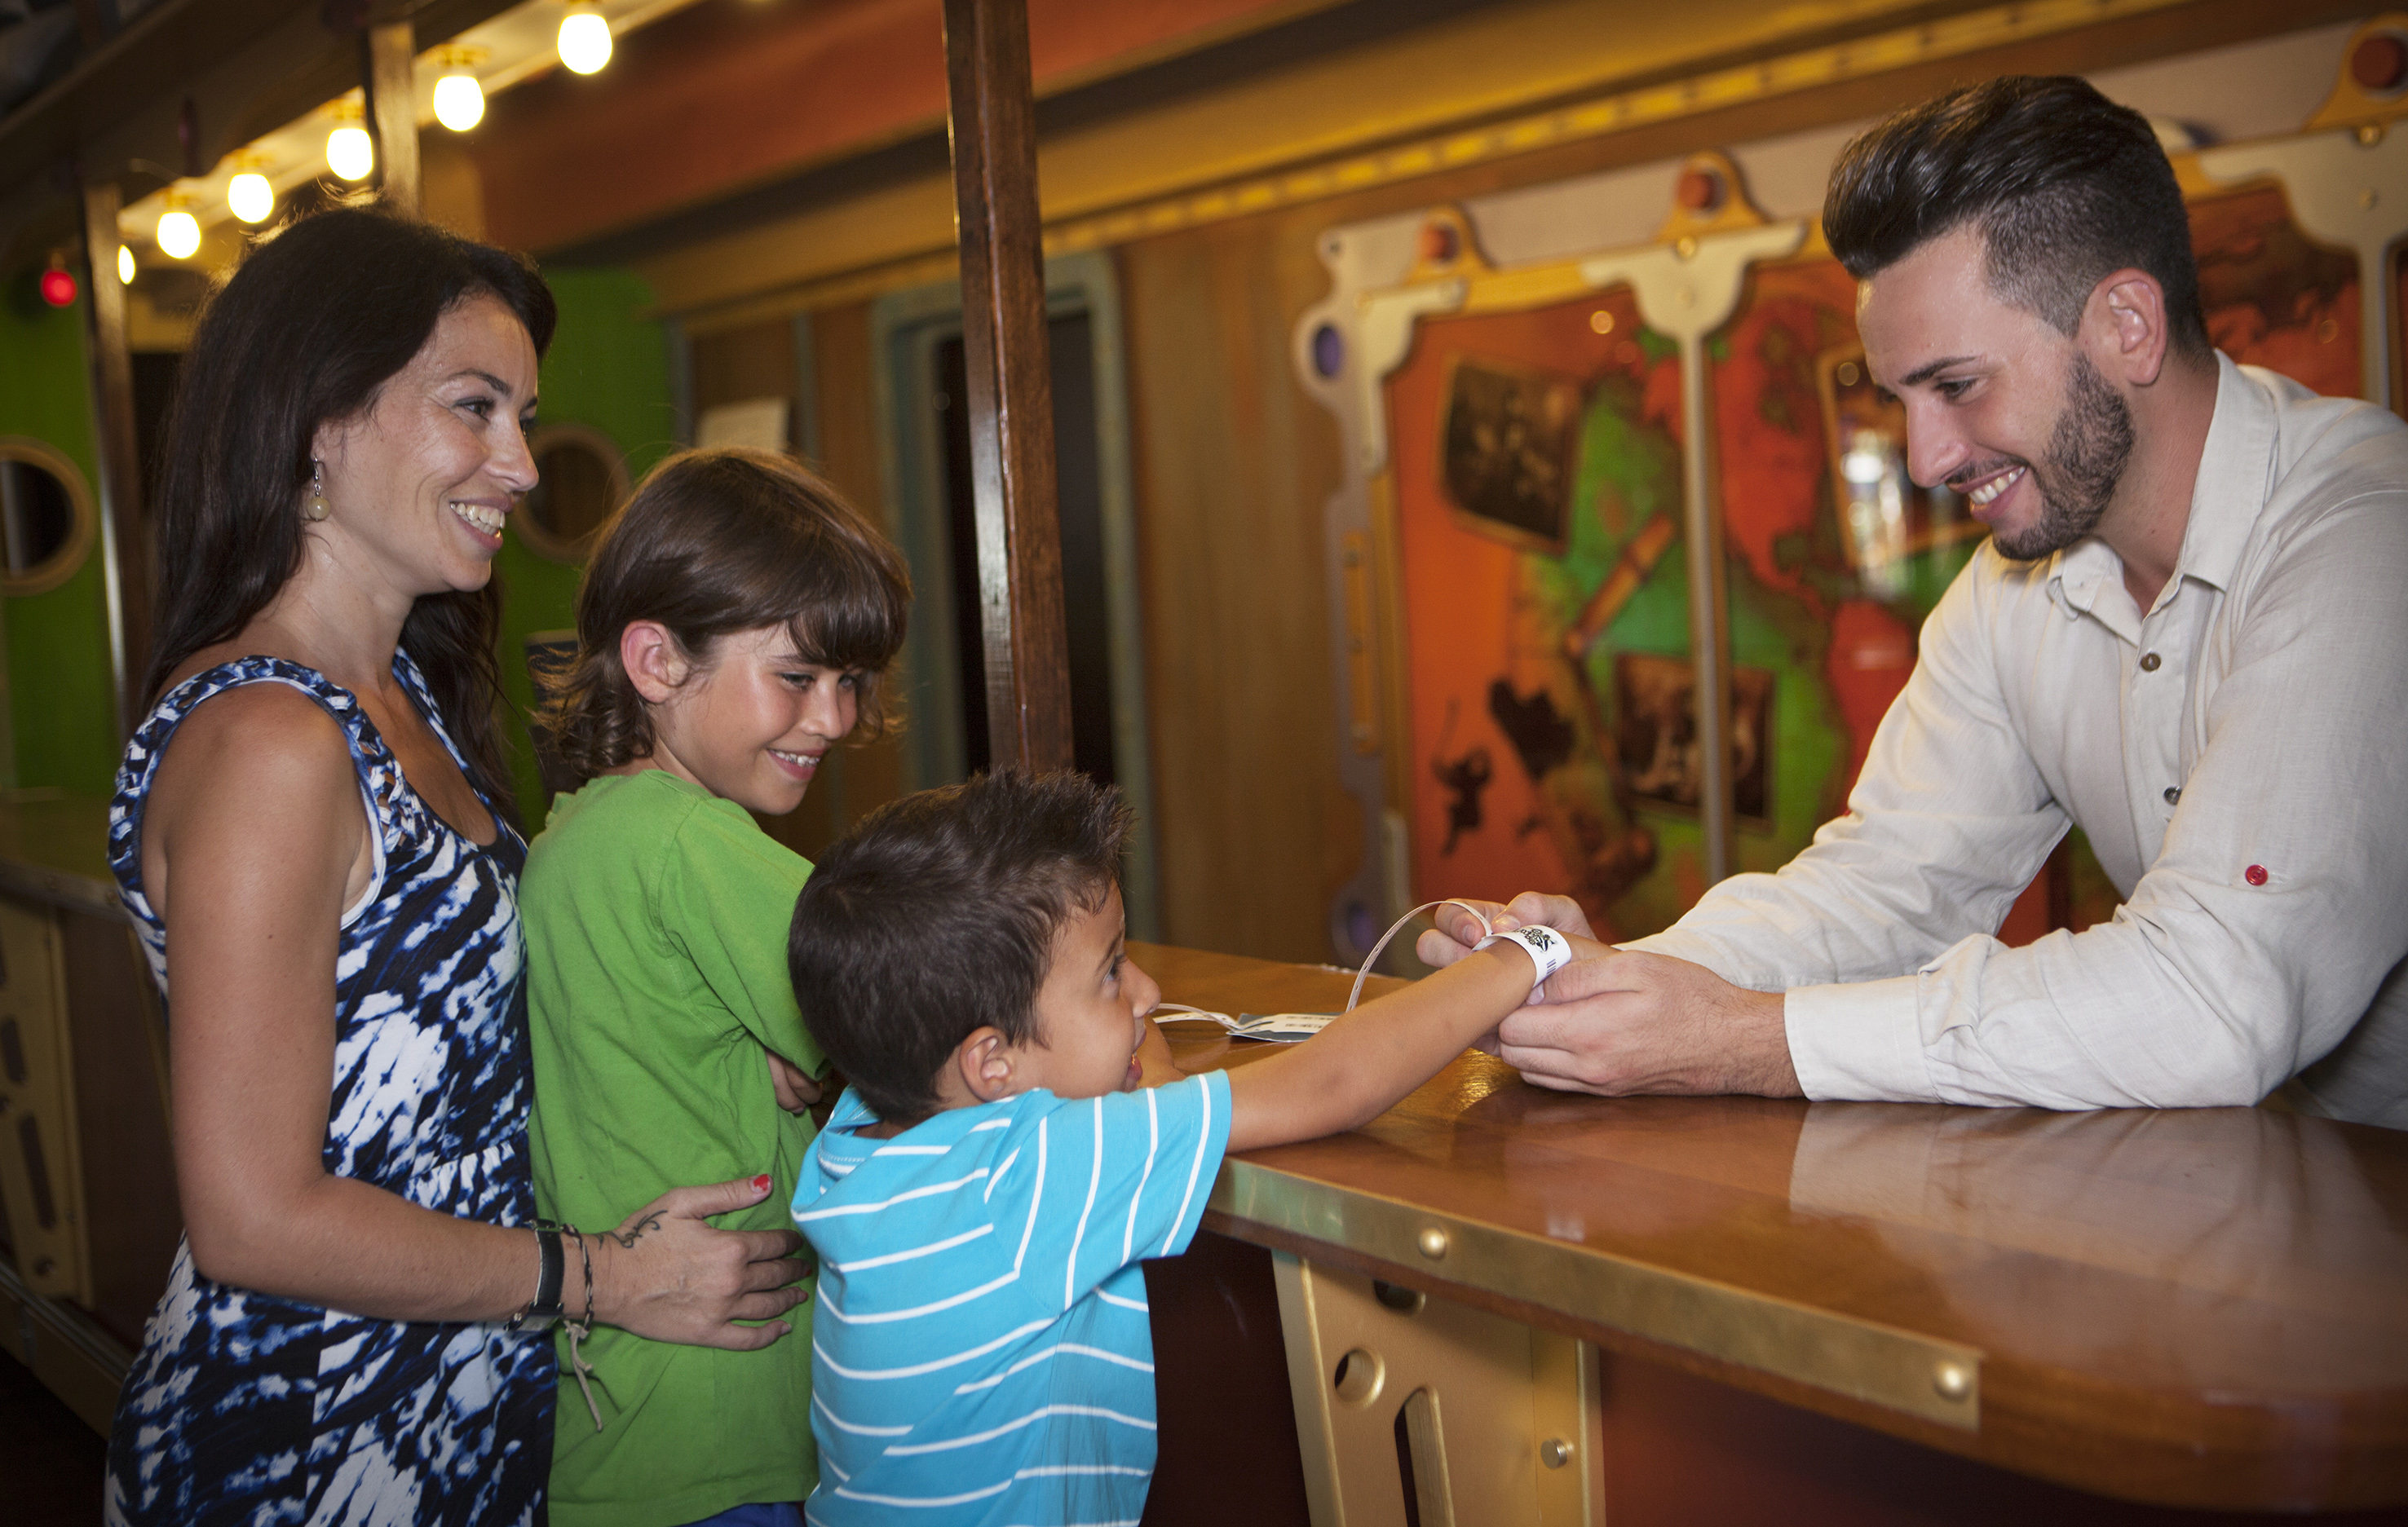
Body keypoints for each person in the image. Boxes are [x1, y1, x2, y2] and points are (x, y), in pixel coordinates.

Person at [1422, 75, 2408, 1129]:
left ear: (2127, 324)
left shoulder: (2366, 536)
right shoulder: (2012, 584)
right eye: (1899, 399)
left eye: (1958, 385)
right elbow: (1889, 884)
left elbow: (2212, 996)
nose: (1927, 459)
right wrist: (1616, 983)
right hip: (2267, 1174)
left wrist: (1748, 1039)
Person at [107, 209, 812, 1527]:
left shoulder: (402, 703)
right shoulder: (270, 737)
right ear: (320, 421)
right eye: (473, 407)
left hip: (465, 1396)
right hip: (314, 1428)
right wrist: (603, 1276)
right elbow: (254, 1214)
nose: (521, 464)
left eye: (523, 417)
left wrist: (737, 1031)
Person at [784, 769, 1602, 1525]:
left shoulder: (867, 1124)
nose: (1148, 991)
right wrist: (1527, 952)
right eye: (1112, 972)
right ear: (991, 1062)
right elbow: (1332, 1083)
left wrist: (1116, 1023)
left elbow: (1147, 1078)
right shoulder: (1029, 1172)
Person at [520, 447, 911, 1527]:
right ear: (656, 660)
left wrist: (804, 1055)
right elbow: (935, 1028)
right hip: (724, 1421)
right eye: (797, 677)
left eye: (849, 682)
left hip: (621, 1424)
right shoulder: (695, 843)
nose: (834, 719)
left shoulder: (575, 837)